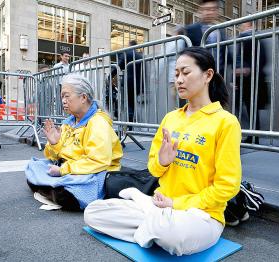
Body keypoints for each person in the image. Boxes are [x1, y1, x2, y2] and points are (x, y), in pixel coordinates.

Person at [84, 47, 242, 256]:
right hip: (159, 206)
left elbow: (227, 187)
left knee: (170, 233)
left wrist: (177, 204)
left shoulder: (226, 122)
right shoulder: (171, 118)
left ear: (208, 75)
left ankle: (154, 228)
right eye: (176, 74)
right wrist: (163, 162)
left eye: (186, 73)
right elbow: (154, 170)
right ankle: (153, 229)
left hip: (201, 216)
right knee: (93, 212)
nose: (179, 80)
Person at [25, 74, 123, 210]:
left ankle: (55, 188)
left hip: (94, 172)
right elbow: (52, 157)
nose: (63, 101)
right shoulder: (68, 122)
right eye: (62, 97)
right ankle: (54, 187)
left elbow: (98, 161)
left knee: (65, 191)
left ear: (83, 97)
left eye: (67, 96)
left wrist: (63, 170)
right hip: (70, 169)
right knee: (33, 166)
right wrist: (54, 144)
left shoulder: (98, 122)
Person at [235, 22, 268, 144]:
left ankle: (254, 135)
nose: (242, 27)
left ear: (250, 26)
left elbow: (262, 59)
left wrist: (248, 70)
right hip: (246, 81)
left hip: (252, 81)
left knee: (250, 108)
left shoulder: (254, 39)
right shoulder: (244, 39)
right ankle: (252, 134)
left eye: (245, 25)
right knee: (245, 107)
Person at [185, 0, 230, 76]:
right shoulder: (191, 29)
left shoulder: (221, 31)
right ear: (200, 10)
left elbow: (226, 54)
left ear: (217, 12)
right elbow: (187, 53)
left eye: (213, 9)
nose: (209, 12)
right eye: (207, 9)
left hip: (218, 74)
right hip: (199, 74)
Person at [110, 40, 143, 122]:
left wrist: (110, 76)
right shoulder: (140, 56)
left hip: (129, 83)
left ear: (129, 45)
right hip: (139, 83)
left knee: (128, 103)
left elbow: (118, 66)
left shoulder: (127, 53)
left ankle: (129, 125)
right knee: (133, 103)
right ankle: (131, 124)